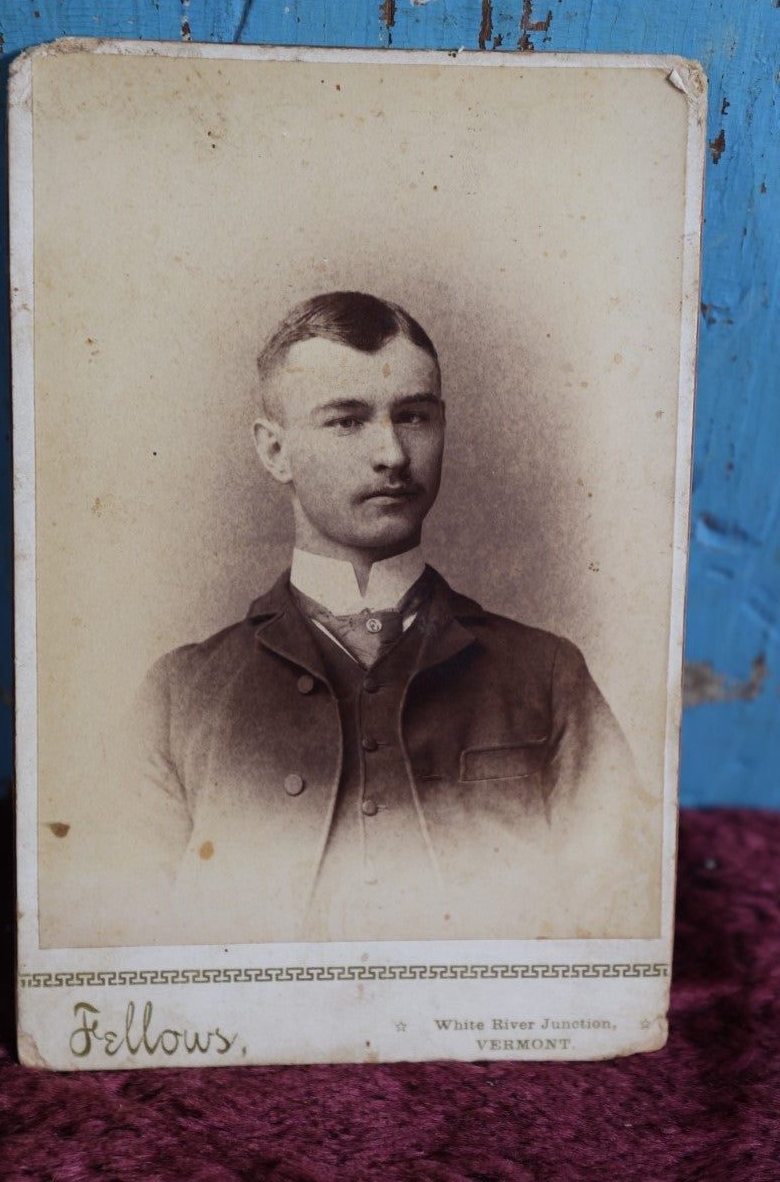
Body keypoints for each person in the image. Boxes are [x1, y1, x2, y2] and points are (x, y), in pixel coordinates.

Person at [121, 292, 658, 945]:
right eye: (346, 421)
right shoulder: (181, 697)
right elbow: (123, 934)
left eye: (413, 417)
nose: (393, 455)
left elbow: (623, 920)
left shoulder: (545, 674)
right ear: (273, 451)